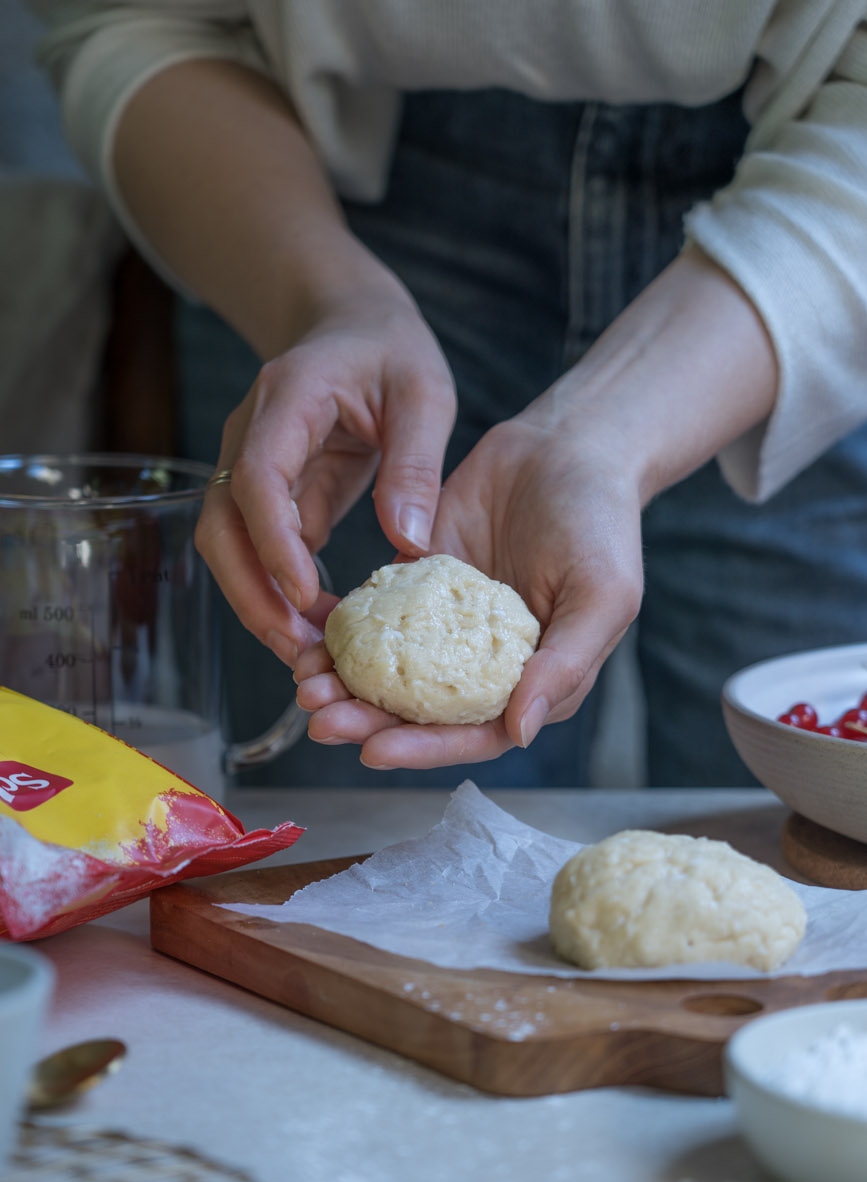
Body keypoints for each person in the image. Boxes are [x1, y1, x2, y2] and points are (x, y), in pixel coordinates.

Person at [30, 3, 867, 787]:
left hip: (815, 223)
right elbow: (137, 17)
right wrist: (327, 301)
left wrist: (598, 440)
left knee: (807, 844)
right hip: (317, 183)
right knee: (358, 867)